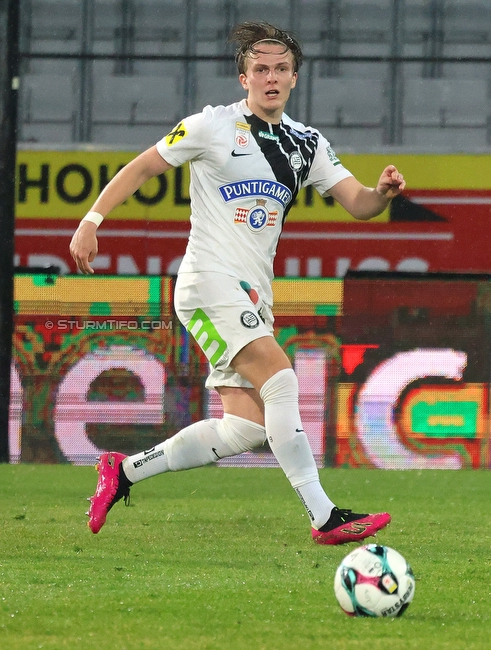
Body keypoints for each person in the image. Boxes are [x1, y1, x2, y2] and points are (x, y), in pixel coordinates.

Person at [70, 21, 405, 544]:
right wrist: (92, 220)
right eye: (260, 69)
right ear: (244, 78)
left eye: (280, 69)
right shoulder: (210, 126)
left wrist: (381, 194)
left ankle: (123, 471)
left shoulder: (307, 144)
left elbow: (358, 203)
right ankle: (324, 517)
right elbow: (142, 168)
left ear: (294, 78)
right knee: (281, 378)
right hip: (208, 281)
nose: (271, 77)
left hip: (252, 293)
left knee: (246, 426)